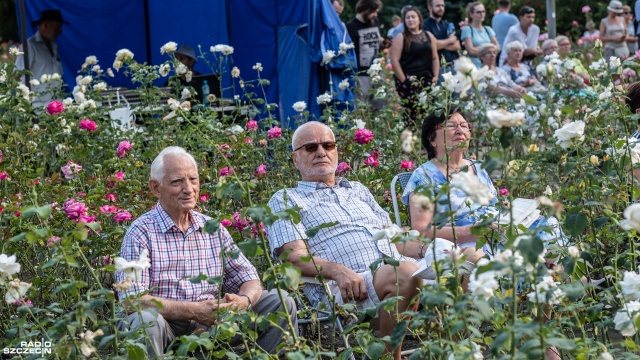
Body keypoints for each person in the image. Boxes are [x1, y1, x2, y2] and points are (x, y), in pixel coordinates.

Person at [115, 146, 297, 358]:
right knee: (144, 320)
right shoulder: (140, 232)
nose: (188, 188)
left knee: (279, 301)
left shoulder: (212, 228)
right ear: (156, 188)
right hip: (165, 326)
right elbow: (132, 300)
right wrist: (195, 310)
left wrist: (244, 300)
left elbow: (249, 278)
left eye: (193, 179)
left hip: (214, 323)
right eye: (177, 181)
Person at [266, 122, 423, 360]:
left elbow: (395, 239)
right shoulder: (286, 199)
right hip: (346, 286)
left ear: (336, 151)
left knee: (459, 264)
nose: (321, 152)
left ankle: (454, 353)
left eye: (328, 145)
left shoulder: (358, 190)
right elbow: (293, 256)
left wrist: (427, 249)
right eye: (310, 147)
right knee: (405, 274)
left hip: (397, 267)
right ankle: (389, 357)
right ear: (295, 159)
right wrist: (337, 271)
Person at [402, 110, 567, 259]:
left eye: (465, 126)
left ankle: (560, 277)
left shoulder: (477, 167)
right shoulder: (423, 177)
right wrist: (471, 232)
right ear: (432, 139)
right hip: (467, 243)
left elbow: (493, 205)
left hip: (499, 231)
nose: (460, 130)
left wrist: (521, 214)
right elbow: (422, 230)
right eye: (451, 125)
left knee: (549, 226)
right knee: (511, 251)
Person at [390, 6, 439, 126]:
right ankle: (409, 141)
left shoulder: (429, 36)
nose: (410, 20)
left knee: (428, 114)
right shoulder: (401, 37)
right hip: (408, 81)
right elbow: (394, 60)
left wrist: (436, 76)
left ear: (419, 19)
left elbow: (435, 58)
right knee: (410, 116)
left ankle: (426, 142)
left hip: (427, 80)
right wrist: (404, 80)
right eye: (407, 18)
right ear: (404, 21)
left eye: (413, 17)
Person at [15, 9, 68, 108]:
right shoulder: (29, 46)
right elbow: (18, 75)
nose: (60, 32)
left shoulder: (54, 46)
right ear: (46, 25)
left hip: (56, 106)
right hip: (37, 107)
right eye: (57, 28)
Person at [346, 0, 385, 106]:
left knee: (381, 106)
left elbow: (376, 37)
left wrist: (383, 42)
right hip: (362, 74)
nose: (375, 14)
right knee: (363, 107)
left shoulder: (374, 21)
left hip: (377, 71)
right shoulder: (351, 27)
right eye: (373, 11)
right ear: (365, 10)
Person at [423, 0, 460, 75]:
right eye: (438, 6)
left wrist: (438, 44)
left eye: (442, 6)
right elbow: (430, 46)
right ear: (430, 7)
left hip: (454, 65)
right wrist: (449, 40)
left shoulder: (447, 25)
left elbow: (457, 46)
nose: (441, 8)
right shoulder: (424, 26)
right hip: (438, 69)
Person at [460, 2, 499, 68]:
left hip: (490, 67)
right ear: (471, 14)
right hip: (476, 67)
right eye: (478, 12)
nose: (482, 14)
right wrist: (489, 50)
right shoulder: (468, 30)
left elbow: (497, 48)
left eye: (483, 12)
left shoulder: (488, 29)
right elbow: (471, 51)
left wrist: (479, 49)